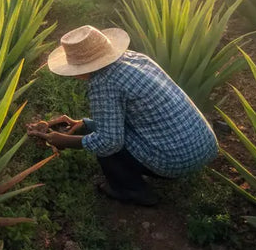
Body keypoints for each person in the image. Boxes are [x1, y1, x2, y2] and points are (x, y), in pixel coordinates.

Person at [26, 25, 219, 206]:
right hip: (204, 145)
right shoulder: (135, 59)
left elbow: (110, 141)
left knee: (106, 147)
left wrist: (64, 141)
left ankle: (132, 191)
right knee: (106, 133)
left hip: (176, 160)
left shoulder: (103, 83)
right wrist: (84, 124)